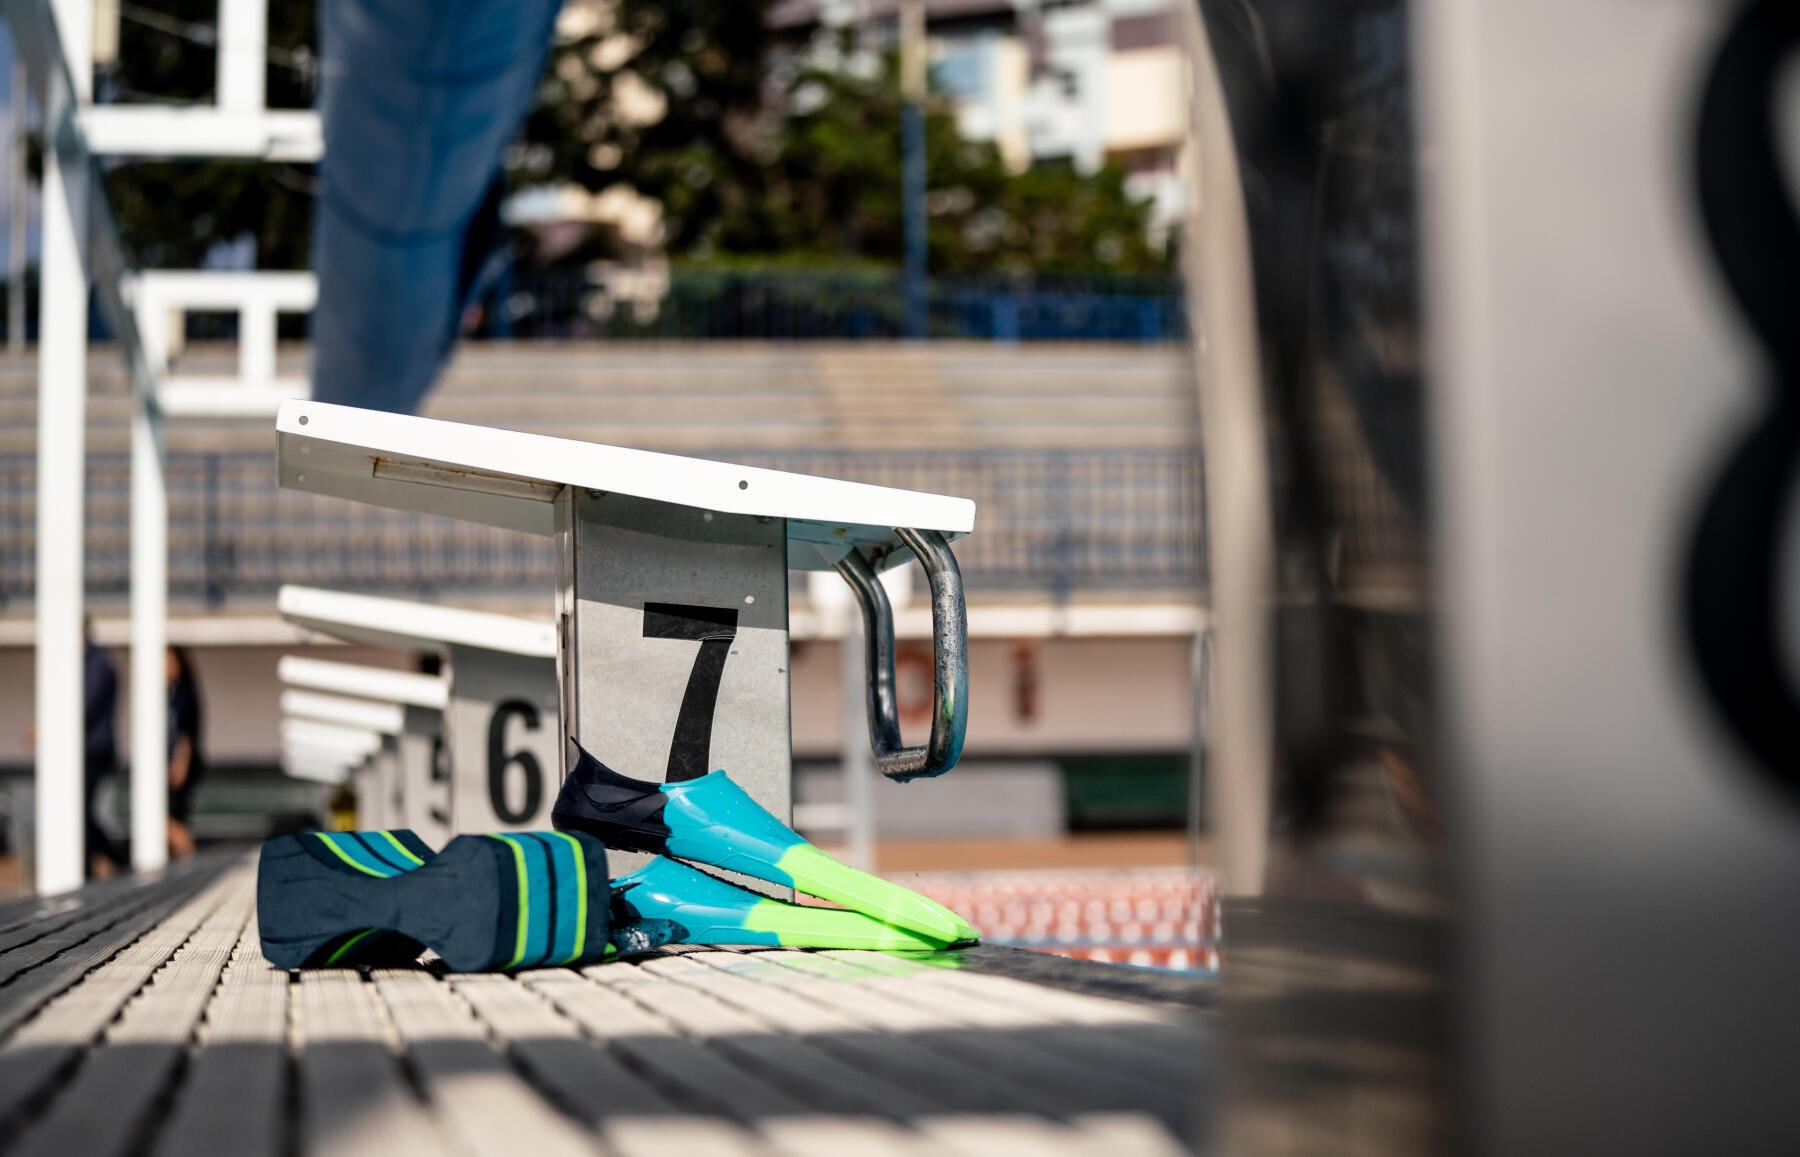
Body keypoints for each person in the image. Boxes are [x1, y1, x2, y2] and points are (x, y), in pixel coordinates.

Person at [83, 620, 128, 877]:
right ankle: (103, 860)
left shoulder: (98, 664)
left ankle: (116, 858)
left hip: (95, 749)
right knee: (81, 812)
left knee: (81, 811)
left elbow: (85, 707)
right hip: (88, 748)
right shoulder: (90, 662)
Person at [166, 646, 204, 860]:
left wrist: (180, 764)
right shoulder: (169, 694)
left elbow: (186, 735)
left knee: (169, 819)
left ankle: (189, 857)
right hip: (175, 767)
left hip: (180, 767)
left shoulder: (184, 695)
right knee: (172, 819)